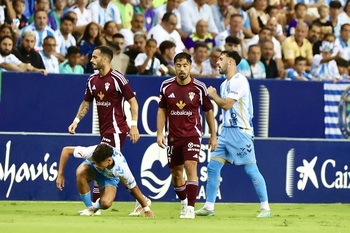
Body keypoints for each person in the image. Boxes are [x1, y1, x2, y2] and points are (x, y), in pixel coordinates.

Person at [67, 45, 149, 216]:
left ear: (104, 59)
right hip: (104, 130)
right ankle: (141, 200)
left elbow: (133, 101)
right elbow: (86, 103)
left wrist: (134, 125)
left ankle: (98, 208)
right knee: (107, 166)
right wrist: (76, 121)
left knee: (105, 164)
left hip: (117, 130)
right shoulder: (92, 80)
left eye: (95, 57)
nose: (91, 60)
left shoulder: (118, 79)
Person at [195, 50, 271, 218]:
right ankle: (209, 207)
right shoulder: (224, 84)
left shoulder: (240, 81)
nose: (218, 62)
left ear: (231, 62)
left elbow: (227, 105)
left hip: (241, 132)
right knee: (213, 167)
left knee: (251, 170)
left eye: (221, 59)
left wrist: (213, 95)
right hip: (226, 132)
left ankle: (266, 208)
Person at [157, 52, 218, 219]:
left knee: (191, 166)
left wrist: (213, 135)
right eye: (178, 65)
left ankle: (190, 208)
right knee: (176, 174)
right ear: (174, 67)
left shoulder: (199, 87)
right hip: (172, 137)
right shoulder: (166, 86)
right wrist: (160, 133)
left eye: (185, 65)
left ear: (191, 67)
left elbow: (208, 112)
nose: (182, 69)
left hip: (192, 135)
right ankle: (184, 202)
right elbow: (162, 110)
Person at [56, 143, 156, 217]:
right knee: (80, 172)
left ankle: (94, 207)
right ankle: (89, 208)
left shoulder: (121, 168)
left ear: (109, 161)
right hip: (92, 171)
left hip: (109, 178)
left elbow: (133, 188)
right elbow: (66, 150)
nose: (96, 165)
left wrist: (147, 209)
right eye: (94, 162)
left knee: (106, 203)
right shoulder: (90, 152)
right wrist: (60, 174)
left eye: (98, 163)